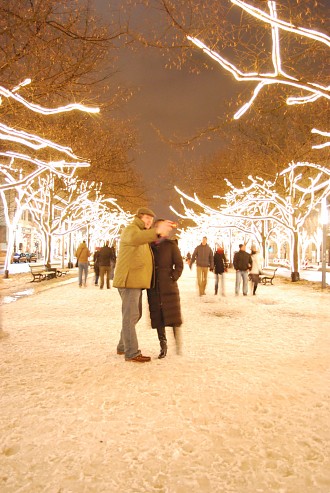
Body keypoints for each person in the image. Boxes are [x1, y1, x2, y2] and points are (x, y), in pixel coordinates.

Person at [113, 207, 174, 363]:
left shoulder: (140, 233)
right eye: (147, 218)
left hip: (135, 281)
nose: (149, 221)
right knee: (130, 316)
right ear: (139, 217)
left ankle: (122, 346)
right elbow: (136, 238)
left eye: (151, 220)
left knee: (134, 315)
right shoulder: (131, 229)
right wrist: (157, 232)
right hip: (129, 281)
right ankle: (131, 352)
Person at [147, 222, 183, 359]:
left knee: (173, 315)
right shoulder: (149, 245)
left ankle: (177, 342)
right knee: (158, 316)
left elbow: (179, 265)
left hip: (168, 285)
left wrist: (172, 277)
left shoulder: (171, 245)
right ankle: (163, 344)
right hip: (154, 285)